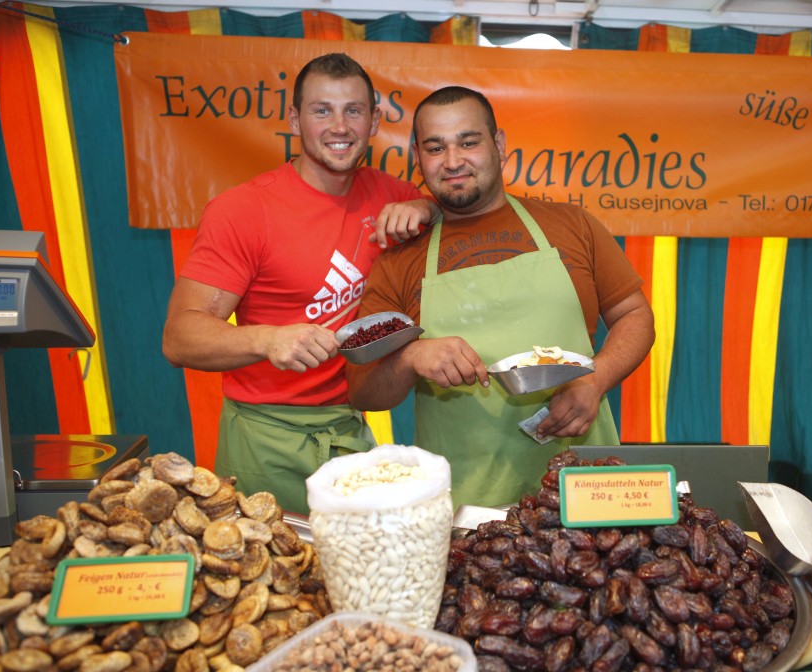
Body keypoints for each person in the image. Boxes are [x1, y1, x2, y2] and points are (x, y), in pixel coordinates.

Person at [345, 86, 655, 508]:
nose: (453, 161)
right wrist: (410, 357)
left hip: (585, 494)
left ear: (500, 145)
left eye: (468, 142)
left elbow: (635, 315)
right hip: (465, 507)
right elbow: (363, 391)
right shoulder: (400, 259)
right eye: (436, 148)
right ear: (418, 157)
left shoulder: (573, 225)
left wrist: (596, 378)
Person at [162, 53, 438, 515]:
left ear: (373, 122)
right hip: (263, 439)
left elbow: (459, 205)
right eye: (322, 110)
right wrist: (267, 339)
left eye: (353, 110)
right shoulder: (243, 210)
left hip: (349, 434)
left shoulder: (392, 195)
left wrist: (427, 208)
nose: (339, 126)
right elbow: (178, 337)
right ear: (294, 120)